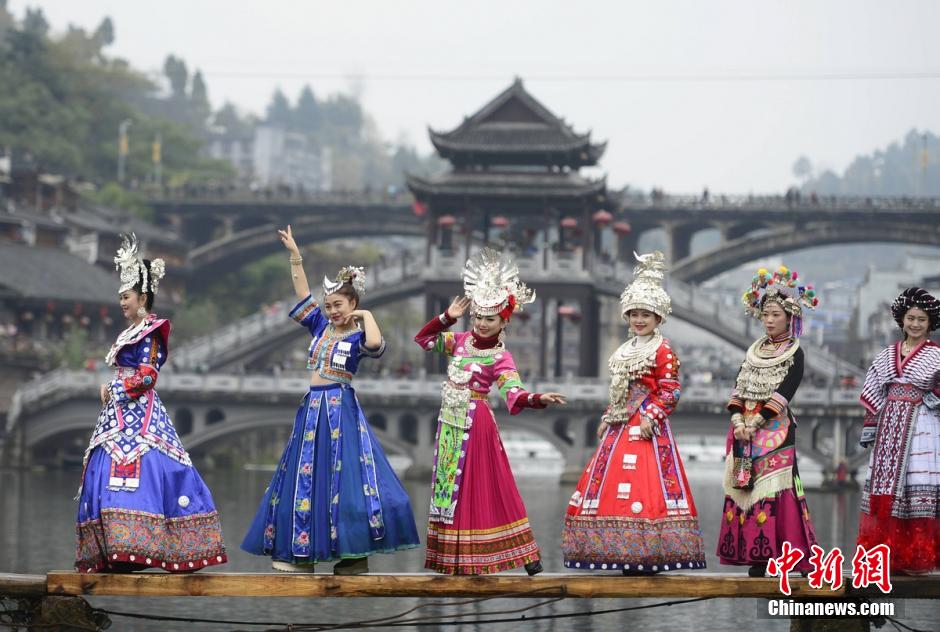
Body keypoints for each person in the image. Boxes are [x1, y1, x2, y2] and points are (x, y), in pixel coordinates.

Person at [241, 225, 419, 574]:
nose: (332, 310)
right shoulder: (320, 327)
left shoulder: (357, 337)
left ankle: (354, 556)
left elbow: (375, 345)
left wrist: (365, 316)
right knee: (307, 476)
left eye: (339, 305)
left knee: (347, 479)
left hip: (339, 409)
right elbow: (301, 291)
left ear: (353, 304)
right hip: (312, 409)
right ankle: (302, 553)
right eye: (329, 305)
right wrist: (295, 255)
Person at [76, 234, 226, 573]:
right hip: (118, 415)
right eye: (119, 297)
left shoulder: (152, 331)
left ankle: (139, 549)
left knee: (142, 470)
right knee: (110, 473)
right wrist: (113, 389)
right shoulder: (131, 331)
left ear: (142, 297)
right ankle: (116, 550)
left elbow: (147, 376)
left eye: (125, 297)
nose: (121, 302)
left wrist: (115, 389)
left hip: (138, 413)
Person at [414, 248, 566, 575]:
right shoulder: (459, 341)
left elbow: (514, 392)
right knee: (449, 487)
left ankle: (526, 554)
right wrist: (446, 317)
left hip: (476, 423)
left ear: (503, 320)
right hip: (450, 424)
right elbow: (423, 339)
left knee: (487, 485)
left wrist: (538, 398)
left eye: (490, 318)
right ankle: (453, 558)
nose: (483, 324)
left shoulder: (501, 357)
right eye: (479, 317)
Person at [562, 252, 705, 574]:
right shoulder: (626, 350)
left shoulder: (663, 349)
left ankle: (648, 555)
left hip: (646, 428)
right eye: (634, 314)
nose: (639, 320)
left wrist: (649, 417)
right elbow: (620, 392)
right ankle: (619, 553)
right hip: (622, 425)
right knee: (613, 486)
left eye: (646, 314)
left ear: (658, 318)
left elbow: (671, 391)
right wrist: (608, 416)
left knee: (645, 488)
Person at [717, 266, 819, 576]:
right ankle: (757, 557)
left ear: (790, 318)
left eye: (775, 314)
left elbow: (785, 393)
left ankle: (791, 557)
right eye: (765, 315)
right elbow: (738, 390)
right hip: (743, 431)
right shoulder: (752, 353)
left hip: (774, 431)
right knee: (745, 488)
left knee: (777, 490)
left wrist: (755, 423)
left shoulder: (795, 354)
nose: (769, 320)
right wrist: (738, 423)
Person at [858, 287, 940, 574]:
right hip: (889, 425)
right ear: (902, 320)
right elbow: (873, 389)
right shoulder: (886, 355)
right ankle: (885, 556)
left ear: (930, 323)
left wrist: (930, 398)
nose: (915, 324)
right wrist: (871, 426)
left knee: (916, 485)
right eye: (911, 318)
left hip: (922, 425)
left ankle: (915, 557)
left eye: (921, 319)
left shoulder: (936, 355)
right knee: (886, 487)